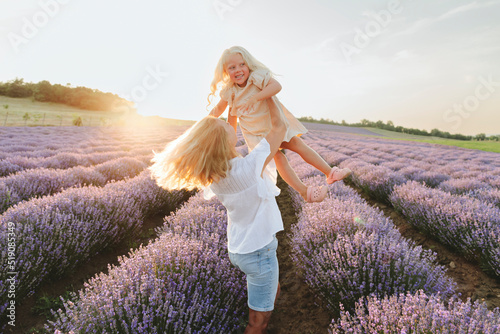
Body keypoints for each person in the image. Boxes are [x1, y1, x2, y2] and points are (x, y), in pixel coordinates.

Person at [149, 98, 288, 333]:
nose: (229, 123)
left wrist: (231, 104)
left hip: (240, 249)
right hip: (258, 253)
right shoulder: (248, 167)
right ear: (223, 142)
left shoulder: (215, 175)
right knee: (258, 322)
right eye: (226, 126)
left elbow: (225, 130)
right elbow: (280, 127)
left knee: (272, 290)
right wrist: (267, 94)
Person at [207, 45, 351, 202]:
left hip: (274, 125)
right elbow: (224, 113)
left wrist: (256, 97)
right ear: (225, 71)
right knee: (279, 158)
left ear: (248, 64)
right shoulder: (230, 91)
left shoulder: (257, 77)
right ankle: (304, 192)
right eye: (232, 67)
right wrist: (204, 125)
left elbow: (276, 86)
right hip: (257, 136)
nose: (238, 69)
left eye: (242, 64)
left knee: (298, 144)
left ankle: (330, 173)